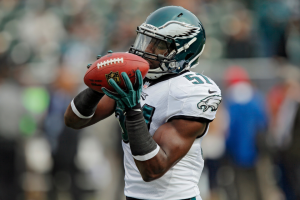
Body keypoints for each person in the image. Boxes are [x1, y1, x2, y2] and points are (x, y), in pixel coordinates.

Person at [64, 6, 222, 200]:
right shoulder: (136, 77)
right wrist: (97, 85)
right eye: (147, 40)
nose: (147, 50)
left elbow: (153, 169)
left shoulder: (190, 91)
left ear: (183, 52)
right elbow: (74, 121)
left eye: (159, 45)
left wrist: (132, 110)